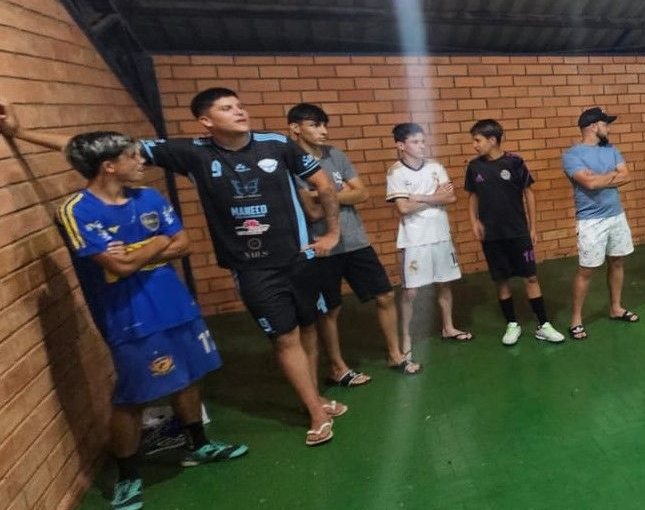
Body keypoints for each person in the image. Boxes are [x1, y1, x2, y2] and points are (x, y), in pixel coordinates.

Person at [47, 88, 346, 446]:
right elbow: (95, 151)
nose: (239, 111)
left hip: (299, 258)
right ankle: (314, 411)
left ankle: (314, 398)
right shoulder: (193, 153)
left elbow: (324, 185)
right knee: (285, 338)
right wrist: (19, 133)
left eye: (240, 105)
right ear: (206, 121)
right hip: (252, 269)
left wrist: (331, 233)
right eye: (226, 108)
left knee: (307, 329)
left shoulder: (277, 144)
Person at [0, 108, 247, 510]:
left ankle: (198, 444)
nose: (141, 161)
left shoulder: (148, 197)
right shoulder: (77, 210)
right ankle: (128, 475)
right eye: (133, 156)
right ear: (109, 166)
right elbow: (119, 267)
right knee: (135, 395)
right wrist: (151, 245)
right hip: (130, 317)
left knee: (189, 375)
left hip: (175, 304)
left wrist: (137, 249)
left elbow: (182, 242)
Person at [287, 103, 419, 384]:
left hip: (356, 241)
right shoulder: (292, 163)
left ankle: (396, 354)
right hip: (320, 246)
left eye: (324, 125)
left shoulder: (335, 155)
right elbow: (310, 212)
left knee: (384, 295)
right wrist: (341, 192)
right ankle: (338, 368)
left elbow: (362, 194)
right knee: (330, 309)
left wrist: (322, 194)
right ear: (295, 128)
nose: (322, 131)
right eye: (314, 125)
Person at [464, 119, 565, 345]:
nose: (474, 145)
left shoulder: (515, 163)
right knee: (501, 280)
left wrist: (533, 227)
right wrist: (474, 222)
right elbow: (473, 197)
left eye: (477, 140)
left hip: (518, 232)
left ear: (492, 140)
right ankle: (512, 324)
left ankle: (543, 324)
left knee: (530, 276)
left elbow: (529, 194)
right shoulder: (474, 167)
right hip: (492, 235)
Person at [384, 123, 472, 352]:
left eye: (423, 141)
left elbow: (451, 198)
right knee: (411, 291)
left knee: (445, 283)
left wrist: (420, 197)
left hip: (441, 235)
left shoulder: (435, 166)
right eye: (415, 142)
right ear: (401, 145)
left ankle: (448, 327)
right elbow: (403, 208)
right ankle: (406, 337)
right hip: (414, 240)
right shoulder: (396, 172)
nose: (421, 145)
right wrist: (435, 197)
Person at [563, 107, 640, 340]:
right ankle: (576, 320)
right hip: (591, 221)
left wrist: (598, 179)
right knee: (586, 269)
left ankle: (616, 308)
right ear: (594, 126)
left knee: (617, 261)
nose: (608, 128)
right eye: (605, 124)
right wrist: (608, 178)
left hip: (616, 215)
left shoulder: (611, 149)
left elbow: (626, 176)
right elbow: (588, 184)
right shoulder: (572, 155)